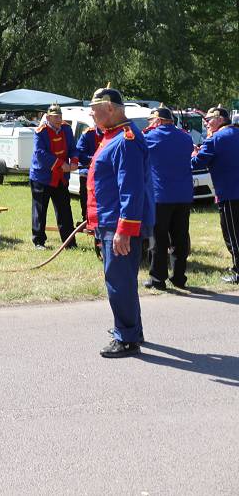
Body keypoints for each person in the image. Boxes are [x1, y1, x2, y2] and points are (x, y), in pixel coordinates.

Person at [87, 87, 154, 358]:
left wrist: (124, 230)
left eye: (95, 109)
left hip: (118, 224)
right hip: (109, 220)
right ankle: (132, 330)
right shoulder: (113, 136)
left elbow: (131, 189)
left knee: (119, 282)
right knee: (122, 280)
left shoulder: (125, 140)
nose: (91, 114)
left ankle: (126, 339)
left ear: (110, 108)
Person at [143, 106, 193, 289]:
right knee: (180, 237)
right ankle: (179, 277)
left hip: (161, 195)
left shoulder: (150, 137)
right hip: (183, 195)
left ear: (157, 121)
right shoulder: (186, 138)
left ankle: (158, 279)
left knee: (158, 238)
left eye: (151, 121)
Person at [192, 105, 239, 284]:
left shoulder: (215, 139)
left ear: (220, 120)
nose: (206, 124)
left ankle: (238, 271)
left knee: (233, 235)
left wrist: (192, 155)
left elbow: (197, 163)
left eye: (209, 120)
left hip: (229, 193)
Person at [29, 105, 78, 250]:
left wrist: (74, 161)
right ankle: (38, 242)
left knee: (64, 210)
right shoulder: (40, 132)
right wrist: (61, 164)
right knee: (40, 210)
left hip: (61, 177)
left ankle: (69, 242)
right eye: (56, 117)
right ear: (48, 117)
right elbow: (40, 154)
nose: (59, 120)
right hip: (42, 177)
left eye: (60, 117)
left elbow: (73, 148)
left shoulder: (66, 129)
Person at [75, 125, 103, 223]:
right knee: (86, 198)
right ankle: (86, 219)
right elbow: (79, 153)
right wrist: (94, 160)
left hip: (104, 174)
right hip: (87, 171)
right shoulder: (88, 134)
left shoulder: (114, 134)